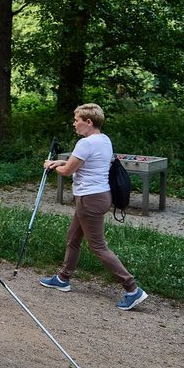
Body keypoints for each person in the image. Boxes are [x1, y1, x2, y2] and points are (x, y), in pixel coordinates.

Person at [40, 103, 149, 311]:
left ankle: (132, 289)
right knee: (73, 238)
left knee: (98, 246)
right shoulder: (104, 140)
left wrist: (49, 165)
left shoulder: (85, 143)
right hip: (98, 195)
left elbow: (68, 170)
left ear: (88, 122)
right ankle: (63, 278)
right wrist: (56, 162)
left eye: (77, 120)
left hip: (89, 199)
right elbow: (81, 164)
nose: (74, 124)